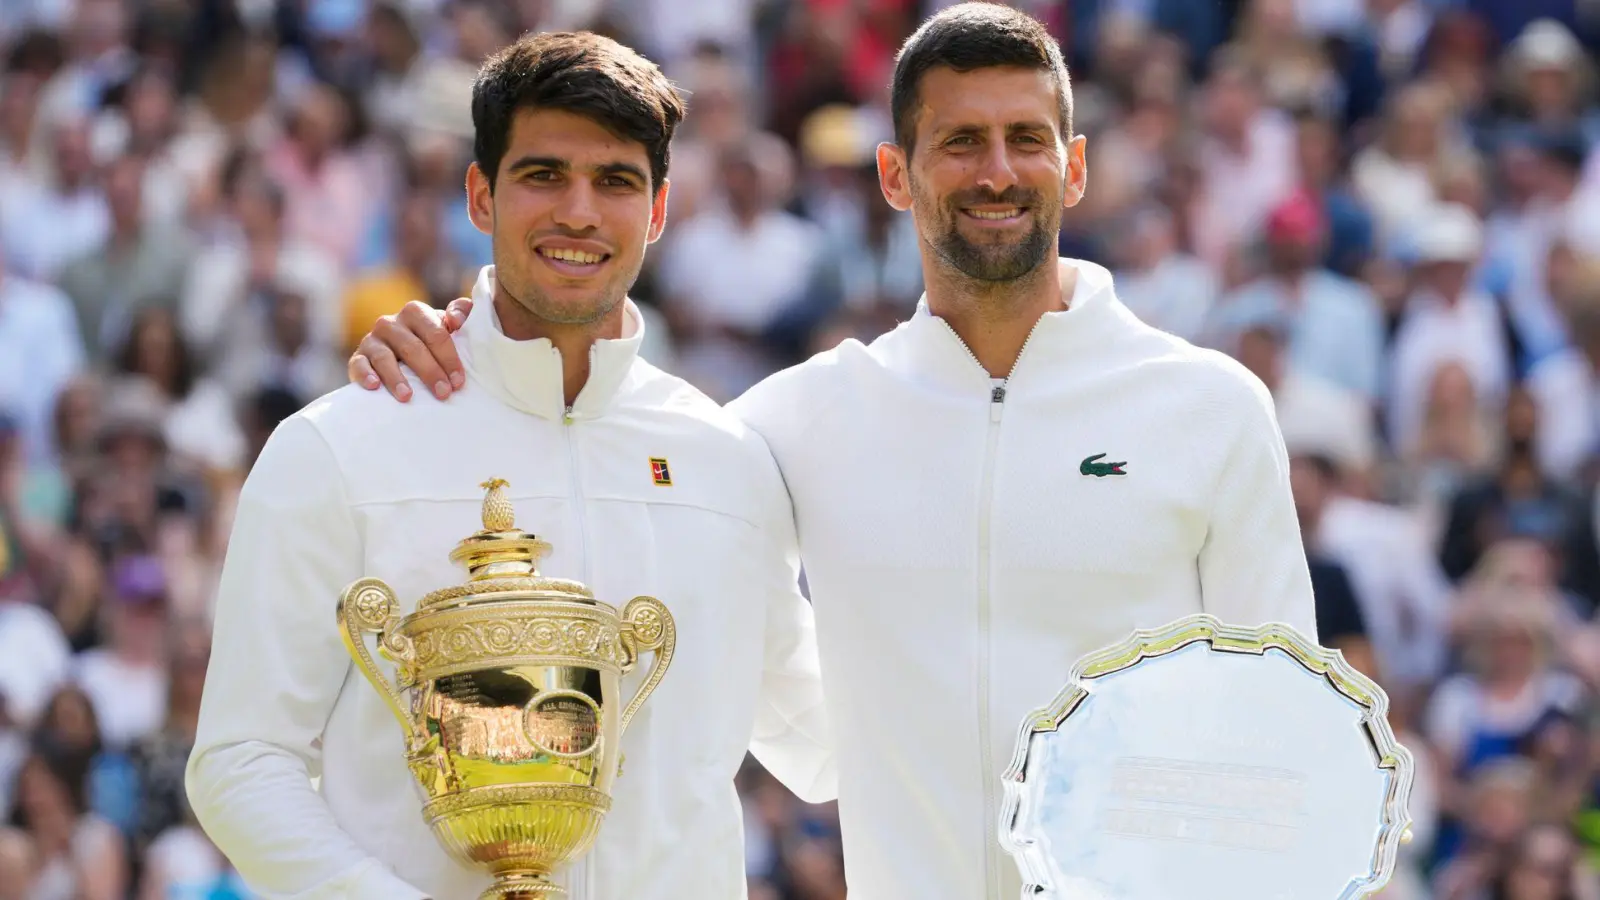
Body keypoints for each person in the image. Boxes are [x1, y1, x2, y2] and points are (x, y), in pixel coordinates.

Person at [347, 6, 1320, 899]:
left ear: (1072, 167)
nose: (995, 172)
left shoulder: (1212, 409)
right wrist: (466, 348)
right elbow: (596, 429)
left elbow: (1287, 738)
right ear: (896, 174)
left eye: (1025, 139)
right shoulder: (790, 423)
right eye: (958, 141)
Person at [185, 31, 834, 900]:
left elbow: (825, 743)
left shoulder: (728, 462)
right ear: (480, 196)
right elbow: (240, 761)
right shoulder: (337, 446)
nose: (579, 212)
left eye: (616, 181)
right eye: (543, 175)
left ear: (661, 208)